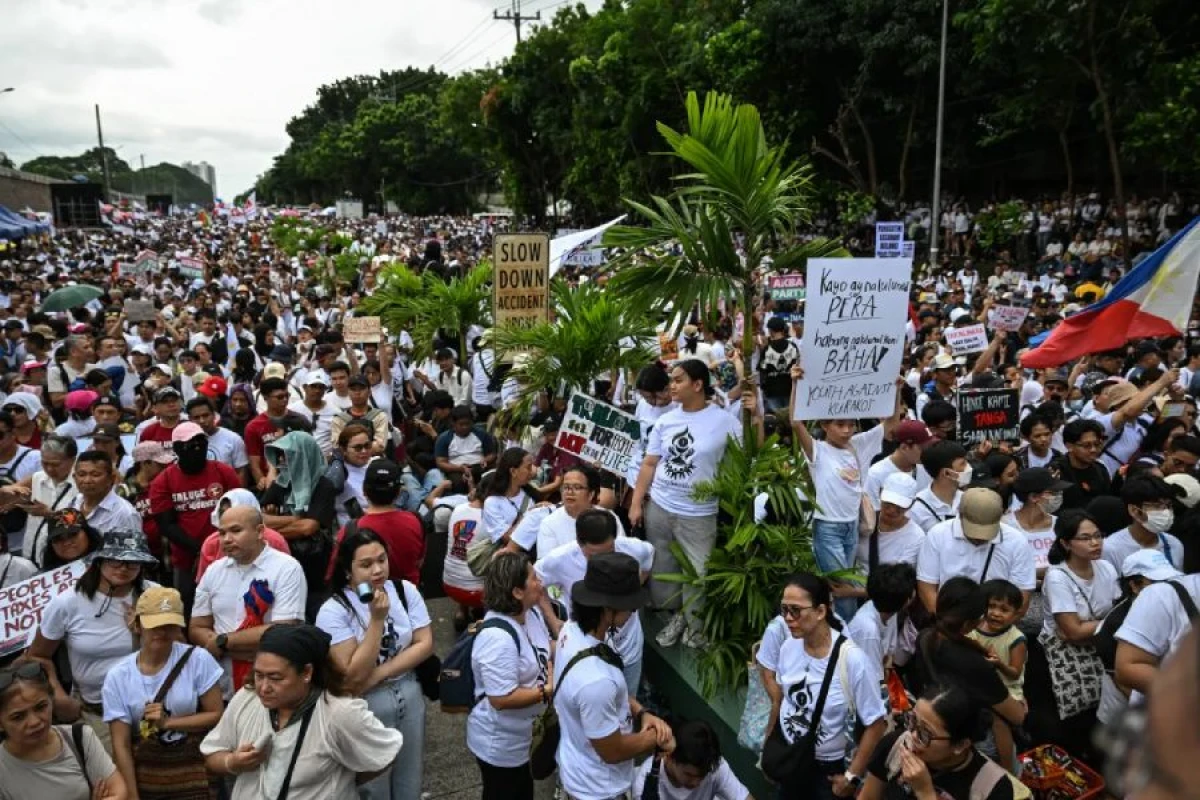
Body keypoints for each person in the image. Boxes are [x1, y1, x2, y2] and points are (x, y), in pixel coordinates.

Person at [199, 624, 403, 799]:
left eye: (276, 677)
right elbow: (211, 757)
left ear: (306, 673)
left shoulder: (339, 713)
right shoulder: (247, 698)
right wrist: (233, 762)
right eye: (259, 675)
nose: (264, 687)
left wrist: (345, 779)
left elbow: (385, 754)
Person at [631, 359, 744, 648]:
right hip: (660, 506)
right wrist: (636, 503)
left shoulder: (725, 422)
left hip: (699, 513)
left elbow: (746, 459)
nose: (672, 385)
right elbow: (649, 463)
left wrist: (755, 419)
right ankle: (676, 618)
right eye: (672, 379)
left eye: (678, 379)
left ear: (698, 384)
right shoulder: (665, 421)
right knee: (664, 569)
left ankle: (696, 626)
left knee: (697, 573)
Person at [317, 529, 433, 800]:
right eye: (366, 565)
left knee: (409, 777)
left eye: (382, 560)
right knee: (373, 785)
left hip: (408, 690)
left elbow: (424, 643)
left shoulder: (404, 590)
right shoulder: (334, 610)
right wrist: (377, 621)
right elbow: (353, 676)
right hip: (367, 704)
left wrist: (381, 672)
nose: (377, 570)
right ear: (348, 570)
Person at [27, 530, 160, 753]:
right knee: (108, 781)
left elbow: (179, 647)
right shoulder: (66, 603)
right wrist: (58, 697)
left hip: (153, 707)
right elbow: (37, 656)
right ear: (99, 561)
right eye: (115, 560)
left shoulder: (156, 595)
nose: (123, 568)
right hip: (95, 712)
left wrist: (145, 631)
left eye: (133, 562)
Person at [554, 552, 673, 800]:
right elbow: (613, 750)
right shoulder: (596, 682)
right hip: (598, 789)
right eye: (629, 606)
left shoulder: (571, 630)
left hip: (576, 766)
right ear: (608, 611)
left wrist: (641, 712)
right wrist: (657, 737)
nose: (632, 613)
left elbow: (611, 698)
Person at [765, 572, 887, 799]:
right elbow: (783, 700)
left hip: (827, 771)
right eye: (784, 610)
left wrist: (852, 776)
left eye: (796, 610)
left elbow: (876, 723)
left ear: (821, 611)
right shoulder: (788, 647)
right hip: (791, 755)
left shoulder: (852, 660)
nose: (788, 618)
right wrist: (770, 748)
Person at [101, 587, 224, 800]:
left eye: (168, 625)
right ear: (138, 625)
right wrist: (132, 795)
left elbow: (216, 714)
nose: (161, 632)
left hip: (194, 771)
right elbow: (120, 744)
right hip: (148, 773)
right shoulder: (118, 676)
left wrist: (168, 723)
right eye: (154, 625)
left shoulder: (199, 660)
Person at [189, 503, 307, 694]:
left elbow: (283, 630)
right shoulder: (213, 571)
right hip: (220, 684)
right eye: (222, 533)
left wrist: (223, 642)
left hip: (270, 685)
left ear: (260, 531)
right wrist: (229, 646)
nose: (227, 539)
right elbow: (196, 627)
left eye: (235, 531)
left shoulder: (287, 568)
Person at [912, 578, 1027, 769]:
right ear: (969, 624)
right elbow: (1016, 716)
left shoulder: (925, 637)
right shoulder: (973, 663)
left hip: (934, 735)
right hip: (973, 743)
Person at [467, 551, 553, 800]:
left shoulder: (531, 614)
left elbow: (544, 647)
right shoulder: (497, 639)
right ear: (516, 592)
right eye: (534, 578)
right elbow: (502, 698)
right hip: (501, 747)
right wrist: (547, 690)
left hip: (524, 740)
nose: (541, 583)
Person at [537, 508, 653, 693]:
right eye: (594, 556)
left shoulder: (635, 548)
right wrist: (552, 620)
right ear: (579, 543)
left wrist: (629, 595)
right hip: (586, 655)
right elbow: (534, 583)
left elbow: (648, 558)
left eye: (610, 551)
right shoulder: (559, 559)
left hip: (629, 650)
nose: (604, 561)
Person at [858, 684, 1019, 800]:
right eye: (912, 720)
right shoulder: (894, 745)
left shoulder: (992, 787)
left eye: (925, 734)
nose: (912, 735)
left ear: (960, 745)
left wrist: (925, 793)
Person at [0, 662, 128, 799]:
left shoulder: (79, 738)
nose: (34, 722)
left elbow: (118, 791)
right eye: (18, 717)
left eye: (40, 707)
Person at [149, 422, 241, 612]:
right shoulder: (163, 481)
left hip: (230, 552)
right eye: (191, 444)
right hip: (186, 559)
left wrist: (220, 546)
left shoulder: (223, 471)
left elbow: (240, 510)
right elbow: (166, 525)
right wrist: (201, 550)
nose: (198, 448)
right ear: (177, 449)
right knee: (190, 608)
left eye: (201, 442)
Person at [916, 488, 1037, 616]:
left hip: (995, 624)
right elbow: (927, 588)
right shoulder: (938, 534)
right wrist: (947, 624)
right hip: (947, 618)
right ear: (960, 514)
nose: (979, 538)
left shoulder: (1017, 541)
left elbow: (1022, 595)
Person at [261, 431, 337, 621]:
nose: (282, 460)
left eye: (287, 455)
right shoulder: (282, 483)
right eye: (280, 455)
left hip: (315, 565)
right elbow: (258, 518)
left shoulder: (323, 485)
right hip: (285, 560)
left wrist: (273, 528)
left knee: (316, 614)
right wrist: (294, 519)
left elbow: (309, 527)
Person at [327, 459, 425, 586]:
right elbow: (419, 562)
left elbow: (333, 574)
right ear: (399, 492)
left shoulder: (350, 530)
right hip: (409, 599)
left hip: (367, 601)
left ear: (364, 490)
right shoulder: (417, 521)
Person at [0, 433, 77, 564]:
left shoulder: (82, 485)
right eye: (45, 463)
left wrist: (49, 514)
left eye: (56, 464)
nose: (49, 469)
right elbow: (7, 500)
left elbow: (84, 525)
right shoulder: (38, 477)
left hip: (62, 559)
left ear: (72, 460)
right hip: (31, 554)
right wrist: (5, 491)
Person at [632, 719, 751, 800]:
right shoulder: (644, 784)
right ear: (669, 757)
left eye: (703, 775)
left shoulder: (713, 765)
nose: (697, 783)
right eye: (689, 775)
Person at [845, 562, 918, 687]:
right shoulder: (868, 631)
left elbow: (888, 655)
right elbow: (871, 680)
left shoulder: (887, 610)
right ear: (907, 600)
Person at [1103, 474, 1186, 575]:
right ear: (1134, 510)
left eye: (1168, 505)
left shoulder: (1173, 544)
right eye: (1157, 506)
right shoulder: (1111, 549)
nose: (1165, 512)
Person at [858, 473, 925, 575]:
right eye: (888, 503)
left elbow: (898, 580)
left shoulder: (916, 536)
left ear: (912, 503)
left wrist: (853, 592)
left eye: (899, 506)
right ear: (880, 493)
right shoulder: (865, 521)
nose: (892, 510)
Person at [69, 451, 142, 537]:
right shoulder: (75, 502)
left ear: (111, 478)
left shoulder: (125, 514)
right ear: (74, 477)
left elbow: (133, 550)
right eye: (82, 474)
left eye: (95, 475)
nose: (87, 480)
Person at [185, 395, 250, 486]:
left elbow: (241, 472)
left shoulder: (233, 439)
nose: (202, 420)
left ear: (214, 415)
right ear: (190, 419)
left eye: (206, 415)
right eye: (196, 417)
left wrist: (237, 496)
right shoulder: (184, 442)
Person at [909, 440, 969, 532]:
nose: (968, 467)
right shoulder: (916, 508)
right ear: (947, 473)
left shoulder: (968, 499)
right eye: (963, 464)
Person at [434, 405, 498, 477]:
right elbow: (441, 462)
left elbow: (492, 454)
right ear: (453, 423)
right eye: (461, 424)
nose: (465, 427)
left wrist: (485, 460)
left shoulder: (481, 434)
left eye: (467, 424)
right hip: (456, 470)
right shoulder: (444, 438)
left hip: (478, 467)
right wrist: (459, 468)